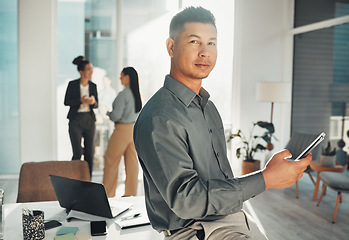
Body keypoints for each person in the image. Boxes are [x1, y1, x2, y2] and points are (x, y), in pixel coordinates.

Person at [133, 7, 312, 240]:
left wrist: (270, 175)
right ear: (171, 47)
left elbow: (222, 181)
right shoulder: (159, 118)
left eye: (211, 43)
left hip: (232, 219)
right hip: (195, 231)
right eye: (194, 41)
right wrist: (266, 179)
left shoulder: (208, 107)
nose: (204, 52)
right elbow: (187, 200)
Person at [103, 67, 142, 197]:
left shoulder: (123, 94)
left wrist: (107, 113)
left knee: (111, 161)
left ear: (127, 77)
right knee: (132, 164)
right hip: (133, 131)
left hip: (121, 130)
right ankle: (130, 195)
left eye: (121, 76)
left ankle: (107, 194)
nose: (120, 78)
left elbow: (116, 116)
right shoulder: (136, 94)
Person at [64, 56, 98, 177]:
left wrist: (93, 102)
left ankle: (88, 179)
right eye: (88, 69)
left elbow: (96, 104)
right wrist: (80, 100)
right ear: (81, 71)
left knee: (90, 153)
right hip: (75, 120)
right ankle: (74, 178)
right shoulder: (72, 84)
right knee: (77, 153)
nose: (91, 72)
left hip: (89, 120)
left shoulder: (93, 86)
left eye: (91, 69)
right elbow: (66, 101)